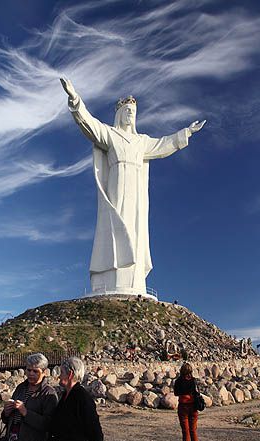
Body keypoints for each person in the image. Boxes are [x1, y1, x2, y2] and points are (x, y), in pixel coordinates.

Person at [60, 77, 206, 297]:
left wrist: (187, 132)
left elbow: (164, 144)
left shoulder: (141, 141)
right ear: (120, 114)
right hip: (118, 186)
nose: (130, 115)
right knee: (116, 228)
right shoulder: (112, 135)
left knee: (136, 232)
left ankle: (134, 280)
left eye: (133, 112)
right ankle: (111, 277)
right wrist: (75, 99)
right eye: (127, 111)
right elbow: (89, 124)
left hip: (137, 193)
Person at [174, 362, 200, 441]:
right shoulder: (193, 381)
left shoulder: (178, 381)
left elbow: (176, 393)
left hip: (183, 407)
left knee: (186, 433)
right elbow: (196, 392)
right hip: (193, 407)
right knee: (193, 432)